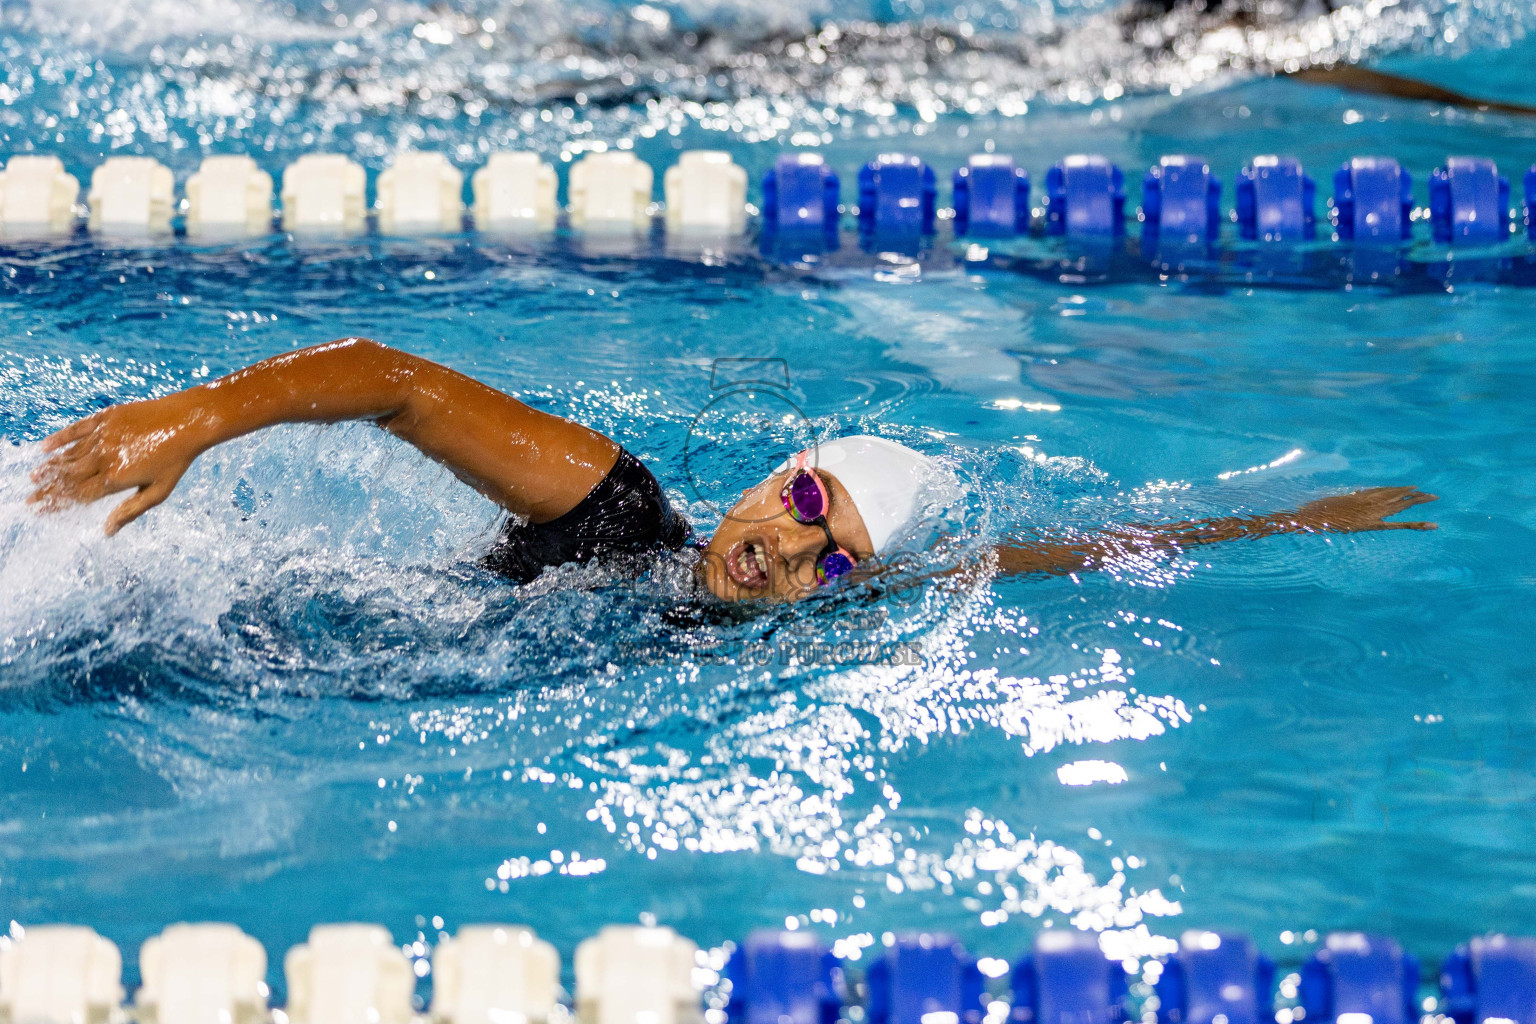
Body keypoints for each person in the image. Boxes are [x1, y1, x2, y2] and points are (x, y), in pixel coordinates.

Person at [27, 338, 1438, 602]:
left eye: (837, 563)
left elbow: (1050, 557)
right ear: (781, 472)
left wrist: (1289, 526)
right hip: (252, 626)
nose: (791, 554)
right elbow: (396, 382)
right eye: (806, 508)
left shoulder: (828, 609)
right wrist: (197, 418)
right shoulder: (618, 511)